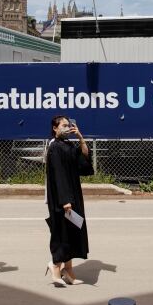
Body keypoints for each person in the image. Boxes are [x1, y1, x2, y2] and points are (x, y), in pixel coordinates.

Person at [44, 115, 91, 286]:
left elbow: (84, 160)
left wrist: (80, 137)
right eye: (63, 125)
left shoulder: (69, 144)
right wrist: (65, 200)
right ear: (55, 128)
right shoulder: (55, 147)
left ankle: (68, 270)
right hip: (61, 197)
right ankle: (55, 266)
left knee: (72, 232)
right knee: (62, 233)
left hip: (74, 193)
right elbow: (58, 175)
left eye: (68, 125)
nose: (66, 128)